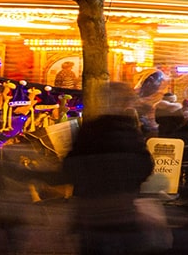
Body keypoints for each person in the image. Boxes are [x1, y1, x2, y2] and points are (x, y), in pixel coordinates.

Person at [63, 83, 157, 255]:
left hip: (92, 214)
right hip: (123, 210)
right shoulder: (130, 131)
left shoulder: (90, 129)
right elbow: (145, 165)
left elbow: (71, 166)